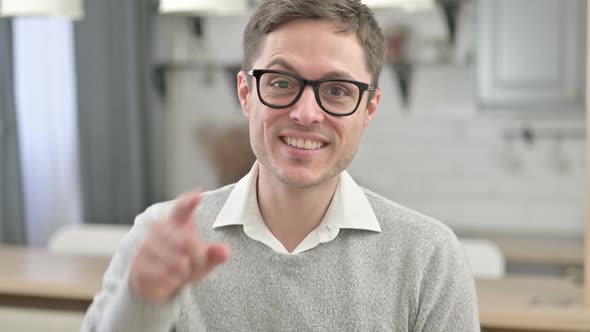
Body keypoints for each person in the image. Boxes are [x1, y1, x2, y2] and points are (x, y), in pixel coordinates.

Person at [82, 0, 480, 331]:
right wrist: (142, 301)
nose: (306, 113)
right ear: (246, 93)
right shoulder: (162, 238)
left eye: (338, 90)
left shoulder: (430, 258)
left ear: (369, 108)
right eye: (281, 82)